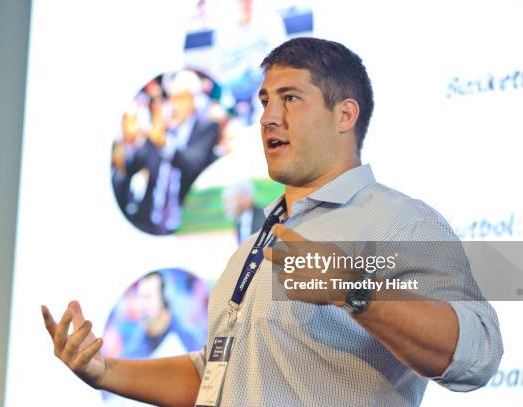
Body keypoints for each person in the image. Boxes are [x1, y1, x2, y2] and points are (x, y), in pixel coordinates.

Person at [42, 38, 503, 406]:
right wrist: (105, 371)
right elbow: (215, 377)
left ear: (345, 114)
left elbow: (479, 353)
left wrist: (353, 290)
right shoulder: (253, 246)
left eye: (290, 98)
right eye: (264, 101)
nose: (268, 117)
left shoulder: (395, 223)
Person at [114, 70, 220, 235]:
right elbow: (132, 167)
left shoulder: (206, 128)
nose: (174, 104)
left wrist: (164, 143)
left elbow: (192, 164)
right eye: (171, 98)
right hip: (148, 222)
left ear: (193, 100)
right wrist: (131, 141)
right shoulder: (161, 127)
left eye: (180, 98)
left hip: (186, 222)